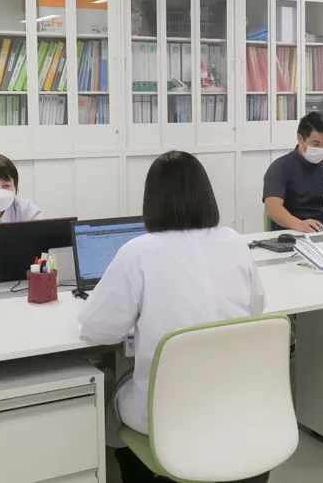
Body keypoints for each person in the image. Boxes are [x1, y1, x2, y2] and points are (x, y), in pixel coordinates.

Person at [78, 151, 267, 483]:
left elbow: (96, 330)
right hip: (234, 401)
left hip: (169, 413)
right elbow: (256, 310)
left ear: (152, 201)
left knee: (113, 388)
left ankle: (134, 470)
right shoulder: (235, 242)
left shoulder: (138, 252)